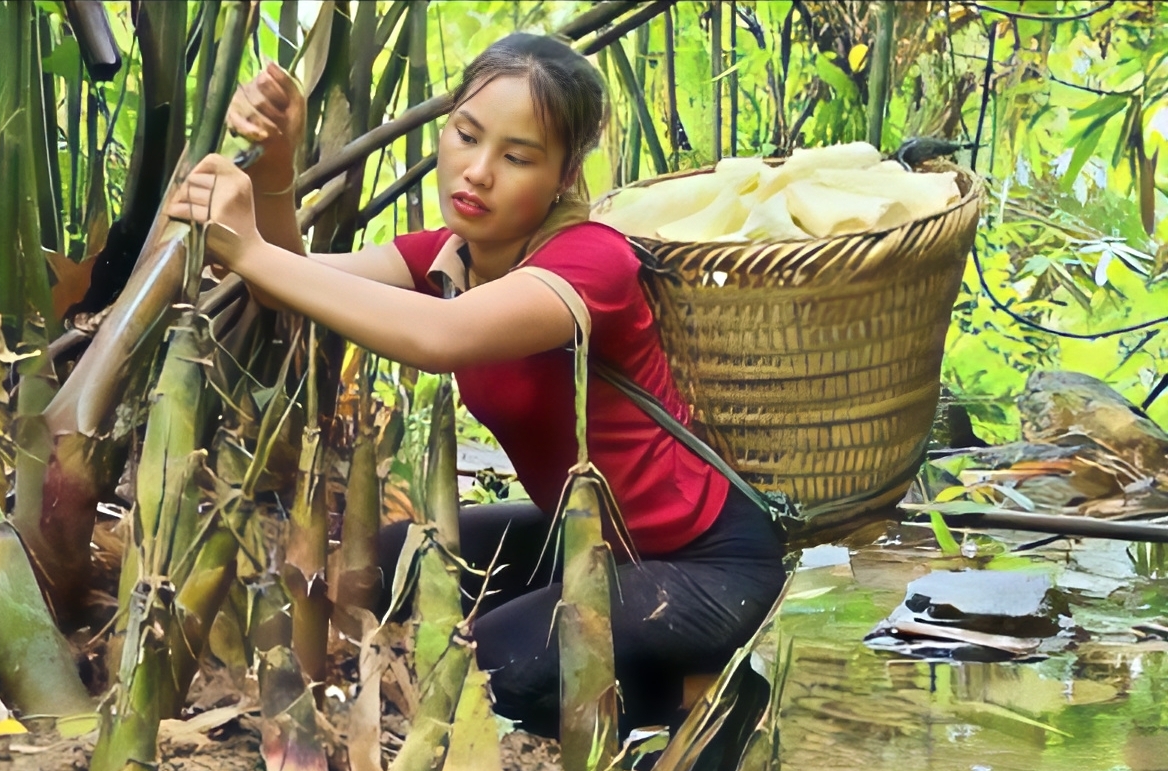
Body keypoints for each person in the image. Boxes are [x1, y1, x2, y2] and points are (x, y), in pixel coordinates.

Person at [164, 33, 786, 735]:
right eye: (466, 136)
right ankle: (645, 671)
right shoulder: (449, 254)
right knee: (377, 571)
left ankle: (698, 709)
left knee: (484, 673)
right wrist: (279, 162)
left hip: (704, 568)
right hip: (582, 541)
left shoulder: (591, 262)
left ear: (565, 175)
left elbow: (440, 338)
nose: (478, 171)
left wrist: (244, 247)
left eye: (517, 157)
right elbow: (291, 281)